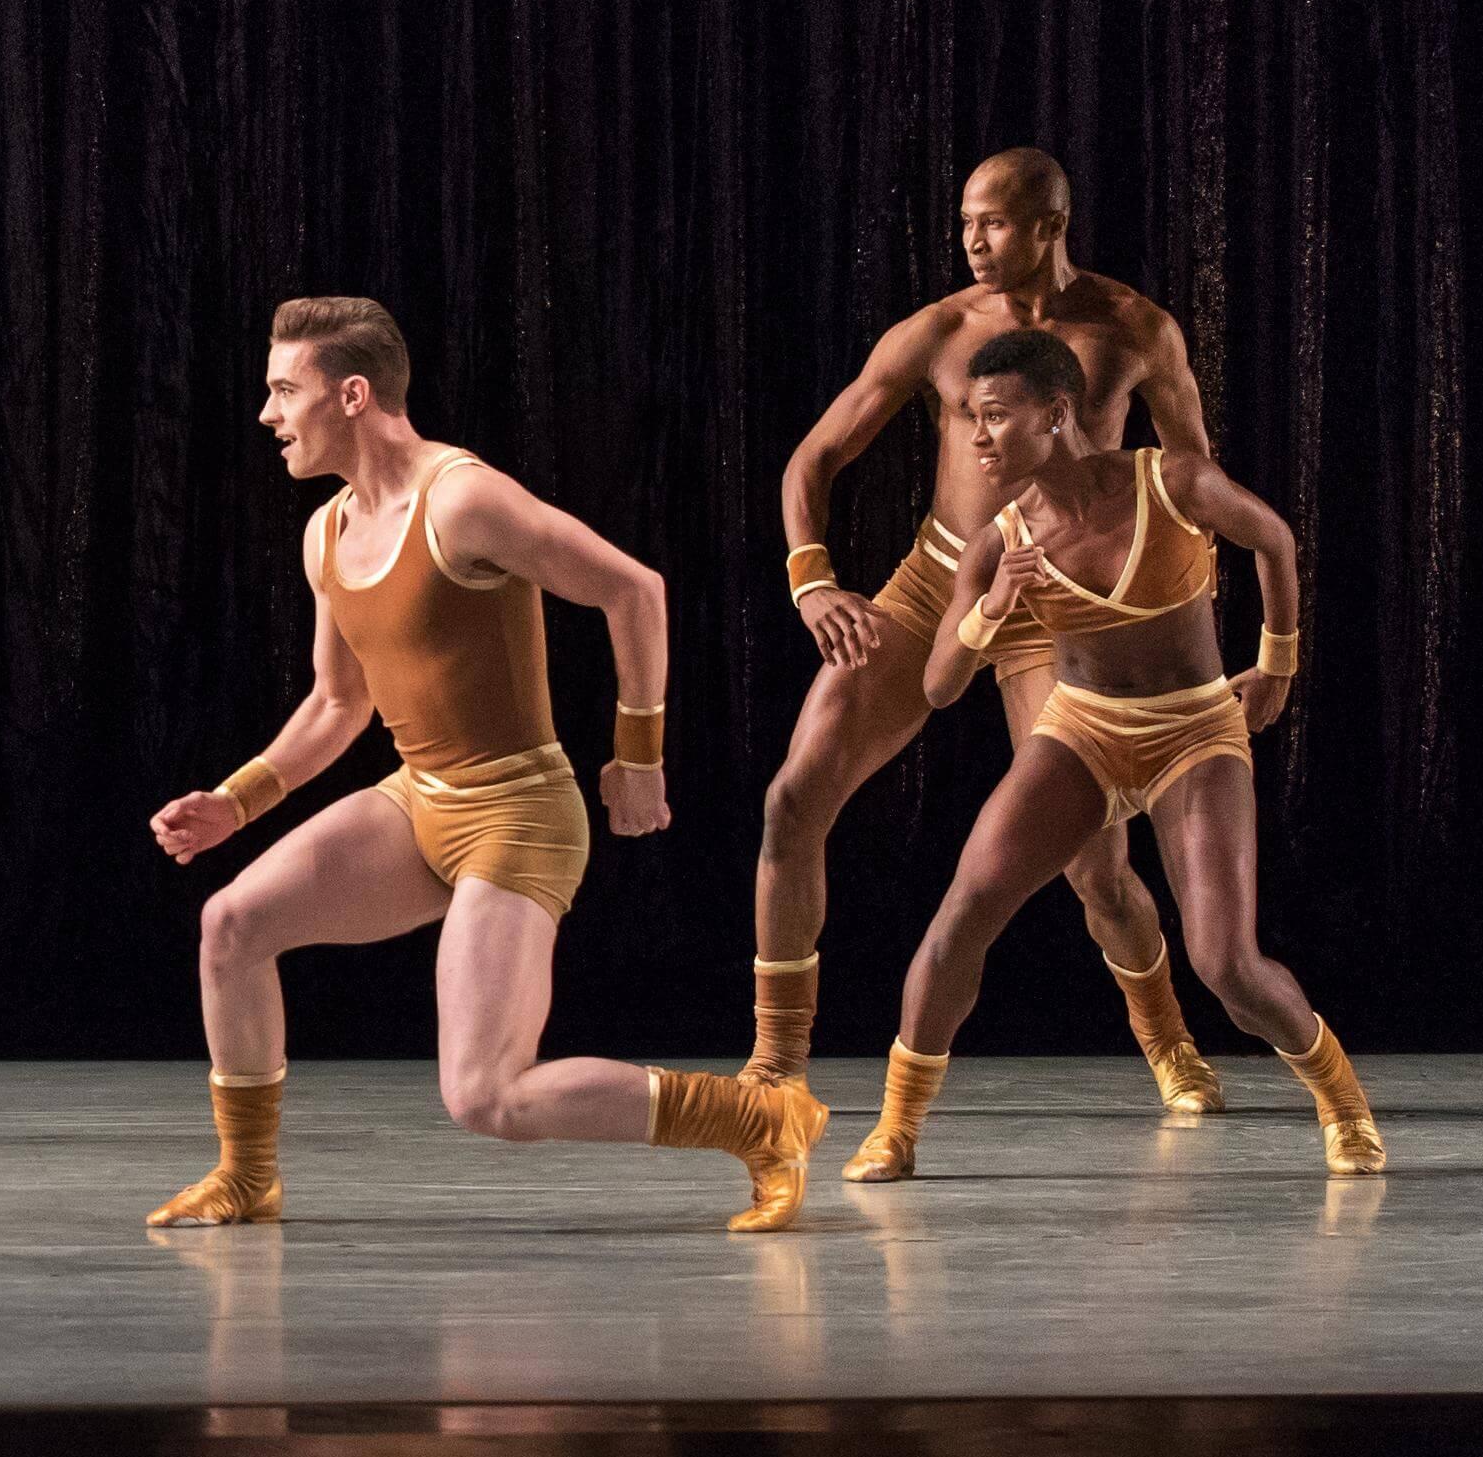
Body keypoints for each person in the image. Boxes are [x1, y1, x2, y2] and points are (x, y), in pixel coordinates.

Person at [147, 298, 827, 1234]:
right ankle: (247, 1175)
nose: (268, 414)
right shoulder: (327, 533)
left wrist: (638, 757)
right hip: (416, 799)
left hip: (520, 817)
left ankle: (760, 1119)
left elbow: (636, 590)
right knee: (230, 925)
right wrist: (236, 801)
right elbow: (338, 706)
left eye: (282, 391)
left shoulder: (461, 499)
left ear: (352, 394)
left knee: (486, 1096)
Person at [836, 331, 1383, 1184]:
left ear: (1056, 414)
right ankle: (898, 1127)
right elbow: (941, 684)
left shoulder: (1170, 482)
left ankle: (1342, 1100)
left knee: (1226, 966)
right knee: (963, 914)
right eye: (970, 420)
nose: (977, 438)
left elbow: (1273, 538)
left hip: (1193, 731)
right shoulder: (999, 541)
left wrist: (1277, 661)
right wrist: (993, 608)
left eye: (994, 418)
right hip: (1083, 731)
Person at [749, 149, 1224, 1117]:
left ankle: (1168, 1038)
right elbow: (815, 458)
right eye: (964, 220)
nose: (970, 240)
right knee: (793, 799)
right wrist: (813, 584)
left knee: (1096, 868)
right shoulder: (938, 333)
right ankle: (775, 1059)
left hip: (1057, 602)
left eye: (994, 223)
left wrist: (1169, 639)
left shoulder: (1135, 330)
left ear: (1051, 226)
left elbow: (1191, 489)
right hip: (938, 578)